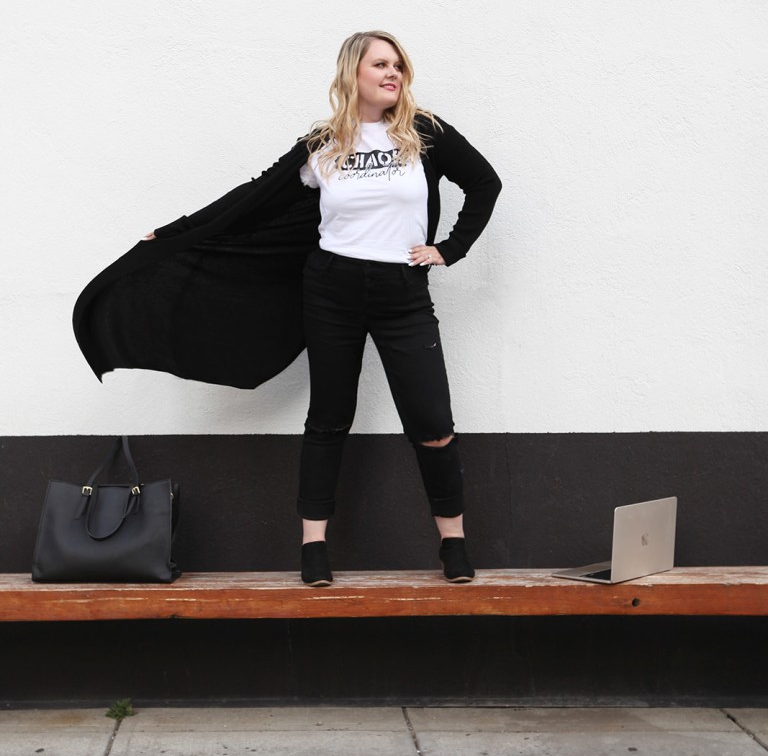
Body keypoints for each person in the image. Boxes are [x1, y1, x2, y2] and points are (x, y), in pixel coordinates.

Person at [73, 30, 501, 588]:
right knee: (329, 417)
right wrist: (178, 232)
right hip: (331, 291)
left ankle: (453, 543)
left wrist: (450, 248)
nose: (393, 73)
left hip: (402, 294)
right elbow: (255, 198)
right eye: (380, 64)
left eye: (398, 65)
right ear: (353, 73)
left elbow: (485, 183)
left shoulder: (425, 133)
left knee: (432, 421)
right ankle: (314, 548)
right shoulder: (324, 142)